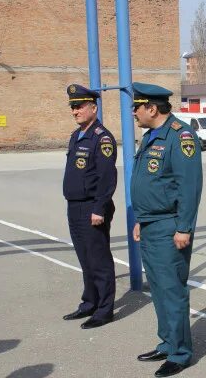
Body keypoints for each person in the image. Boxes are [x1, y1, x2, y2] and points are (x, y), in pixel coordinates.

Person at [129, 82, 202, 377]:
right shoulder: (151, 137)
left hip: (170, 225)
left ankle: (180, 353)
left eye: (137, 107)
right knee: (158, 289)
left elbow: (189, 186)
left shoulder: (180, 136)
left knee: (172, 290)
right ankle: (167, 342)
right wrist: (140, 220)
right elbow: (151, 184)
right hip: (151, 223)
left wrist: (184, 227)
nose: (134, 112)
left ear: (152, 108)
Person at [62, 84, 117, 329]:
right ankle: (89, 303)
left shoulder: (101, 138)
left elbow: (106, 178)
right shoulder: (77, 135)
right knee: (85, 259)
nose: (75, 111)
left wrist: (99, 208)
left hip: (92, 208)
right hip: (75, 207)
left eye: (79, 106)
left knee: (99, 260)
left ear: (93, 108)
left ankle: (105, 310)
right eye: (72, 107)